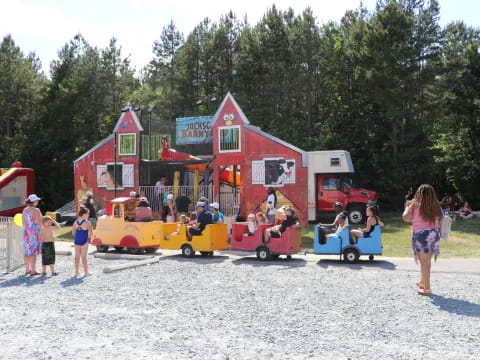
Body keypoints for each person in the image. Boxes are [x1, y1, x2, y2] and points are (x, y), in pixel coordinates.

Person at [402, 184, 442, 296]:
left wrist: (407, 207)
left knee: (424, 262)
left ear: (419, 194)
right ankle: (423, 282)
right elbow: (439, 218)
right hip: (433, 234)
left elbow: (406, 218)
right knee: (427, 261)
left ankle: (427, 288)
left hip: (421, 234)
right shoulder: (436, 206)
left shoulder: (415, 205)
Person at [22, 194, 43, 276]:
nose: (37, 201)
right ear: (33, 201)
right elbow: (39, 223)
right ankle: (33, 271)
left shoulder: (25, 210)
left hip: (26, 231)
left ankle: (27, 269)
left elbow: (23, 222)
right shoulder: (36, 210)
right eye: (36, 200)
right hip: (34, 232)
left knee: (27, 250)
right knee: (33, 251)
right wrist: (41, 231)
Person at [72, 207, 93, 276]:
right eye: (88, 214)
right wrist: (87, 238)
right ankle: (86, 272)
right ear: (83, 214)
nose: (88, 215)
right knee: (84, 257)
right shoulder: (87, 223)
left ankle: (76, 272)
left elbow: (73, 233)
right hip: (84, 240)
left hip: (77, 240)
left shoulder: (75, 222)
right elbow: (90, 234)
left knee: (77, 256)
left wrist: (77, 237)